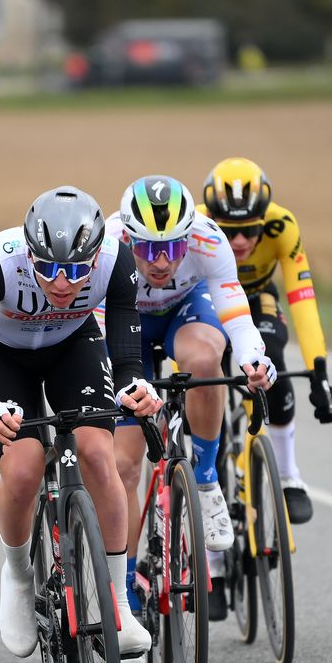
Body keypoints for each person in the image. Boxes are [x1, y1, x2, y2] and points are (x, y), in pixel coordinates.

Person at [0, 186, 162, 660]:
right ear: (29, 253)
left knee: (98, 455)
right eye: (47, 269)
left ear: (94, 259)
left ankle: (118, 604)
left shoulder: (116, 257)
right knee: (23, 470)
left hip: (74, 347)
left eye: (74, 271)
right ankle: (18, 573)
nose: (62, 284)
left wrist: (134, 388)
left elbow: (127, 358)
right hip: (6, 361)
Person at [106, 175, 274, 624]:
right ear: (128, 236)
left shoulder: (208, 237)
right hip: (127, 327)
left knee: (203, 359)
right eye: (147, 249)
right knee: (123, 465)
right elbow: (93, 326)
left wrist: (254, 358)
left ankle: (204, 479)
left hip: (186, 310)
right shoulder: (107, 244)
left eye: (173, 249)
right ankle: (122, 590)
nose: (161, 263)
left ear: (189, 236)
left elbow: (235, 312)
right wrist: (127, 388)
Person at [198, 157, 332, 532]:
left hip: (258, 297)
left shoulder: (283, 225)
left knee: (272, 356)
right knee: (204, 366)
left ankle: (288, 473)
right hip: (207, 299)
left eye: (249, 230)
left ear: (264, 220)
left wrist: (319, 370)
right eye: (228, 232)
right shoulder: (194, 225)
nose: (240, 242)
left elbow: (302, 297)